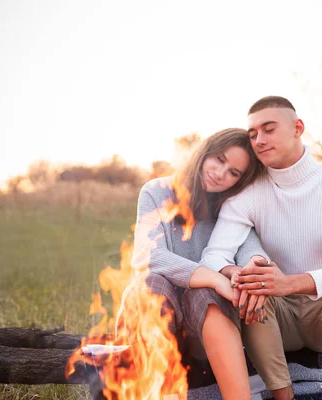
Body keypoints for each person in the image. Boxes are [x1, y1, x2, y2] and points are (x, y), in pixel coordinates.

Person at [201, 97, 322, 400]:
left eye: (269, 129)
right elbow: (213, 255)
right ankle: (283, 395)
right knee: (252, 287)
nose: (259, 140)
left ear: (297, 128)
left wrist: (289, 283)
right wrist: (240, 273)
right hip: (276, 319)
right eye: (253, 134)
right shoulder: (247, 194)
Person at [124, 128, 267, 400]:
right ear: (206, 151)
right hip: (154, 319)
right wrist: (214, 277)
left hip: (206, 326)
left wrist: (251, 269)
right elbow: (147, 255)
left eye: (234, 173)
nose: (221, 173)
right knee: (152, 282)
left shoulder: (233, 205)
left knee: (204, 294)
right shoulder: (156, 191)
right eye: (220, 160)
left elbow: (252, 252)